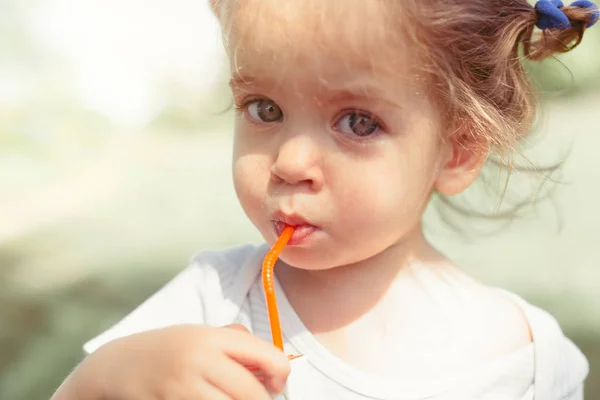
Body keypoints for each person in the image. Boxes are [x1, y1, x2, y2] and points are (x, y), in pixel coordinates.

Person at [51, 0, 599, 399]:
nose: (289, 163)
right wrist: (108, 378)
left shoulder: (531, 363)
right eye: (264, 109)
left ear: (455, 152)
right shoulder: (211, 302)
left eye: (357, 122)